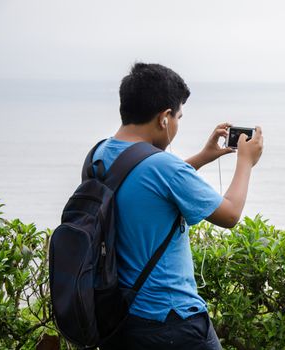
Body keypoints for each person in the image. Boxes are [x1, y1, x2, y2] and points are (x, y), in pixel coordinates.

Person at [99, 62, 263, 350]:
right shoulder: (164, 167)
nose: (177, 124)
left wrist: (203, 156)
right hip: (172, 319)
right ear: (164, 118)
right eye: (179, 117)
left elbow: (142, 185)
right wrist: (245, 162)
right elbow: (230, 214)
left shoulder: (100, 154)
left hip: (120, 316)